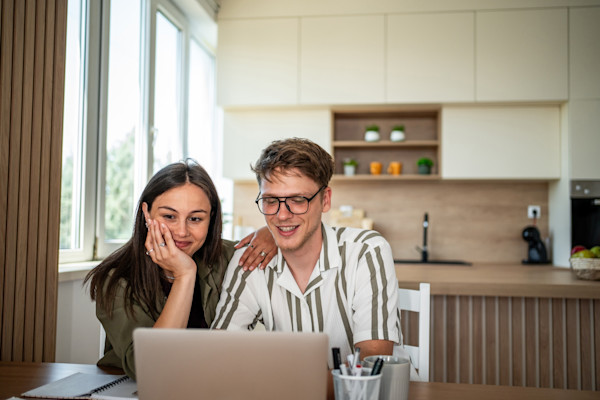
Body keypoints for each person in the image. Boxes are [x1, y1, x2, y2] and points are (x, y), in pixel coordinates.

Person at [212, 138, 401, 396]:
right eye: (271, 201)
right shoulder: (252, 259)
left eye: (298, 199)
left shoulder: (365, 251)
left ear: (325, 200)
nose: (282, 215)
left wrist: (279, 381)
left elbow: (370, 366)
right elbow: (219, 352)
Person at [84, 159, 276, 380]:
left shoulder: (232, 258)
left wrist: (274, 234)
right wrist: (185, 275)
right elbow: (153, 367)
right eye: (169, 216)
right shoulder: (116, 278)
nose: (182, 231)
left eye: (195, 218)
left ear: (211, 218)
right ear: (146, 213)